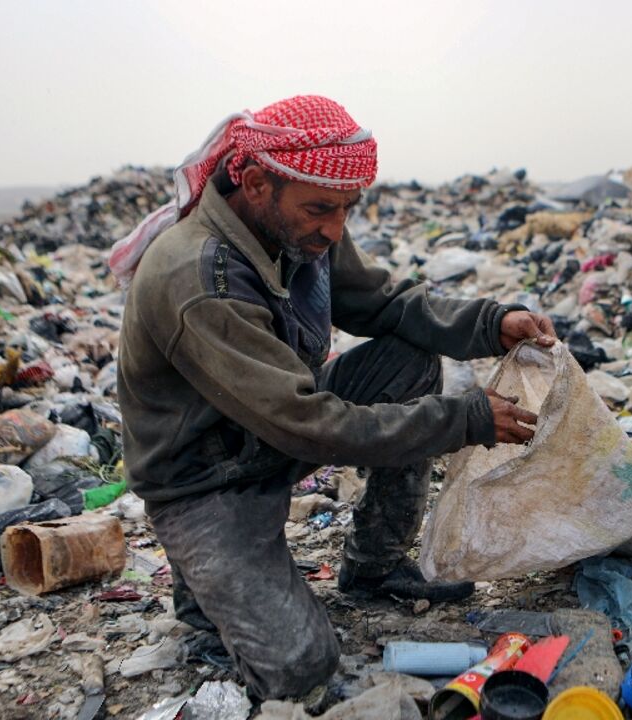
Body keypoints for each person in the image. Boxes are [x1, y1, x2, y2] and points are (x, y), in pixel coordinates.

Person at [113, 95, 555, 701]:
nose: (335, 228)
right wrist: (465, 419)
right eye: (323, 209)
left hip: (274, 423)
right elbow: (306, 425)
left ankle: (374, 564)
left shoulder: (301, 227)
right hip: (207, 477)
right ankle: (205, 583)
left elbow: (385, 304)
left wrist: (490, 322)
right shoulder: (198, 279)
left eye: (348, 209)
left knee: (408, 358)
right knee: (300, 669)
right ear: (258, 182)